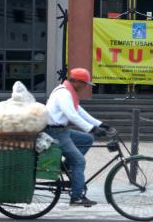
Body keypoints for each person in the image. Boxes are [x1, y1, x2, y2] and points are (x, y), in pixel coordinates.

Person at [45, 67, 111, 207]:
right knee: (79, 161)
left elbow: (80, 111)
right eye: (85, 84)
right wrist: (92, 129)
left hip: (61, 131)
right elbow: (72, 115)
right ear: (77, 82)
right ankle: (76, 197)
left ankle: (67, 166)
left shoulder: (68, 92)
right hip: (55, 132)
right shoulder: (63, 93)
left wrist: (101, 124)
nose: (85, 87)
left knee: (86, 139)